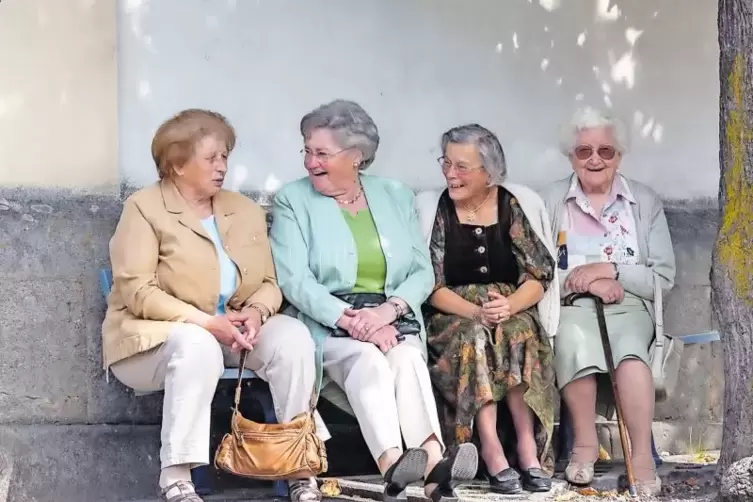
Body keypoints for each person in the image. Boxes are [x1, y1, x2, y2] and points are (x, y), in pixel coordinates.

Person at [101, 109, 319, 502]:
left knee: (293, 338)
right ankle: (177, 479)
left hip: (229, 331)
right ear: (177, 165)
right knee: (196, 344)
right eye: (211, 158)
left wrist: (256, 313)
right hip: (153, 340)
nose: (222, 167)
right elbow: (138, 292)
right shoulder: (144, 208)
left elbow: (269, 283)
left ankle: (299, 466)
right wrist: (206, 322)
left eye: (225, 157)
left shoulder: (243, 209)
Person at [269, 100, 478, 502]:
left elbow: (421, 271)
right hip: (327, 322)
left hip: (391, 320)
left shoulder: (394, 194)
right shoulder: (292, 200)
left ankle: (432, 468)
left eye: (322, 153)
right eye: (307, 151)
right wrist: (352, 320)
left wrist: (386, 312)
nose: (311, 162)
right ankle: (394, 465)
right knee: (366, 360)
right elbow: (294, 279)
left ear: (356, 157)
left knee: (406, 359)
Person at [414, 124, 560, 495]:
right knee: (475, 338)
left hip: (509, 308)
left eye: (462, 166)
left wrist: (510, 305)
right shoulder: (437, 210)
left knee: (519, 333)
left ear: (488, 171)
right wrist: (476, 312)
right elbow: (430, 285)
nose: (450, 173)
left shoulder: (511, 205)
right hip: (454, 314)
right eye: (446, 162)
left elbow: (539, 272)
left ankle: (527, 449)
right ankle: (491, 449)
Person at [538, 106, 676, 496]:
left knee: (631, 354)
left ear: (620, 155)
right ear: (571, 156)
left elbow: (663, 277)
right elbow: (538, 271)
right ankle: (583, 445)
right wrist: (586, 283)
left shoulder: (643, 202)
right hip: (572, 306)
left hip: (631, 306)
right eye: (584, 151)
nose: (595, 159)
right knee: (572, 340)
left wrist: (611, 270)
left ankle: (643, 458)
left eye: (606, 151)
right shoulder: (551, 201)